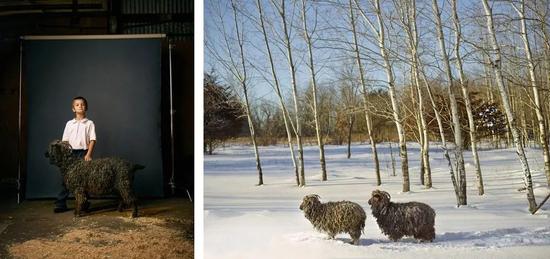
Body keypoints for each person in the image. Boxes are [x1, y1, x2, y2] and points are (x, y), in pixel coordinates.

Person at [54, 96, 97, 213]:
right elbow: (65, 141)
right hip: (70, 154)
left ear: (86, 107)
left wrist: (88, 154)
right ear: (73, 109)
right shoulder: (69, 124)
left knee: (83, 179)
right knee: (66, 179)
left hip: (83, 153)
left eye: (82, 104)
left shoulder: (89, 123)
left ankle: (84, 202)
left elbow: (92, 140)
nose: (80, 106)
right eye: (77, 105)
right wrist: (64, 156)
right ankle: (60, 203)